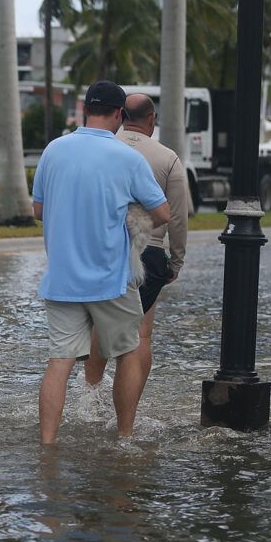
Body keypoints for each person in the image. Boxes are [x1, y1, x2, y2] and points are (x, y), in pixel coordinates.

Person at [33, 81, 170, 441]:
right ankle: (125, 436)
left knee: (59, 363)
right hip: (111, 277)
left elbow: (38, 209)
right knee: (128, 352)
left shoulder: (54, 150)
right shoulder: (128, 158)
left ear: (84, 110)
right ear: (119, 115)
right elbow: (164, 213)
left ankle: (47, 444)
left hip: (61, 278)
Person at [83, 93, 190, 404]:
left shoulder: (102, 150)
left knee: (100, 324)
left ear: (121, 115)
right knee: (141, 335)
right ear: (152, 119)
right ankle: (128, 410)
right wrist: (177, 261)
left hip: (100, 248)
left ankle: (89, 398)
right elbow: (178, 216)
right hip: (148, 249)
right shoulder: (167, 157)